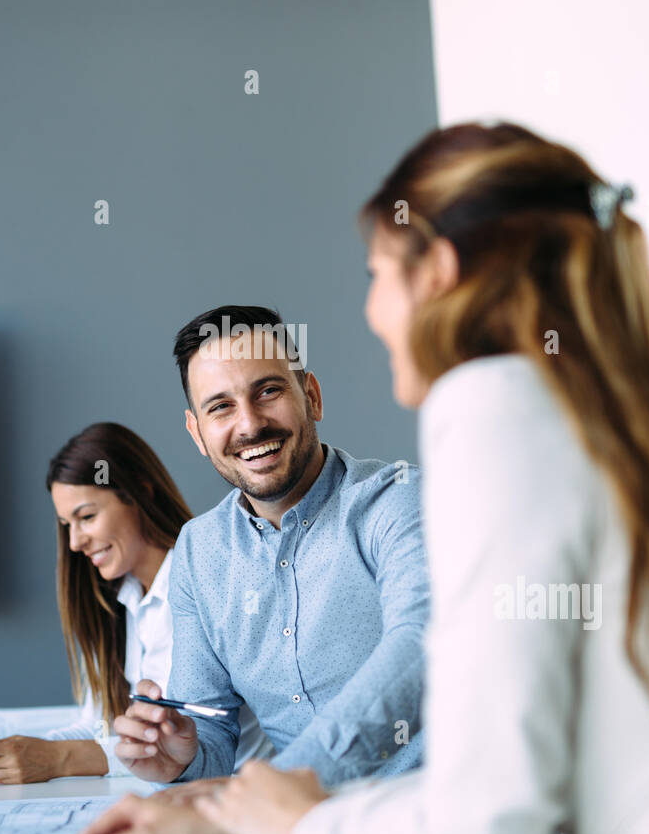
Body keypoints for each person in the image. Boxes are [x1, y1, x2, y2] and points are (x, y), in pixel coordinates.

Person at [52, 122, 649, 834]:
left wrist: (272, 816)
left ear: (436, 273)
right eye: (220, 407)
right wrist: (204, 770)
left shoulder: (490, 412)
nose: (372, 311)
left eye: (376, 275)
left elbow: (491, 823)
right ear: (195, 430)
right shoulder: (612, 402)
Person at [104, 305, 431, 791]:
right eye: (221, 407)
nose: (251, 425)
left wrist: (276, 785)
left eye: (269, 391)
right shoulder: (198, 550)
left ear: (312, 397)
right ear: (197, 433)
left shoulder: (400, 501)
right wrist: (181, 758)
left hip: (435, 822)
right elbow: (210, 727)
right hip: (301, 833)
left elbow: (420, 645)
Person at [0, 422, 271, 783]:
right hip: (189, 794)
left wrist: (57, 758)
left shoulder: (201, 586)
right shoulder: (122, 599)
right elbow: (97, 728)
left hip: (244, 791)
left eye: (87, 517)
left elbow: (163, 745)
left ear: (141, 493)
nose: (75, 542)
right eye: (67, 525)